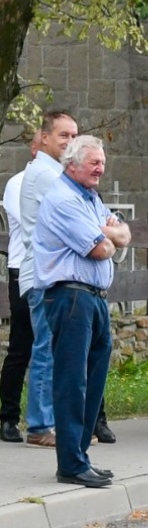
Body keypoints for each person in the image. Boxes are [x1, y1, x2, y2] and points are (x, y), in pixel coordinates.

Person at [31, 135, 130, 487]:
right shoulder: (63, 199)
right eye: (94, 163)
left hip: (94, 297)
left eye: (102, 162)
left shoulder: (90, 198)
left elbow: (124, 234)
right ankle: (70, 463)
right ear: (72, 165)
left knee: (93, 382)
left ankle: (81, 455)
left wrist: (109, 233)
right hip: (71, 296)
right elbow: (101, 249)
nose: (101, 168)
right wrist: (107, 235)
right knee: (73, 381)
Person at [17, 111, 78, 449]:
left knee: (56, 351)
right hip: (43, 275)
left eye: (74, 136)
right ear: (43, 139)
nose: (70, 142)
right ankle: (40, 424)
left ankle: (51, 422)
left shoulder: (53, 172)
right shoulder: (46, 173)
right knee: (46, 351)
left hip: (50, 273)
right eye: (63, 136)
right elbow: (76, 216)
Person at [0, 132, 40, 442]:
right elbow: (36, 223)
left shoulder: (70, 182)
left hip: (57, 273)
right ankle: (8, 417)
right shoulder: (19, 183)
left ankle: (95, 419)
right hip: (24, 270)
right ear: (36, 146)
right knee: (21, 345)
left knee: (73, 349)